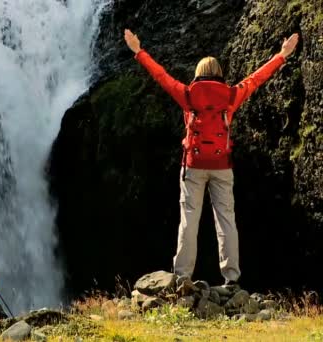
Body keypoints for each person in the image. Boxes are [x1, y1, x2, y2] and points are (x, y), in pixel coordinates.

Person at [123, 29, 299, 286]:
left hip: (193, 166)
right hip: (222, 166)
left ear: (197, 73)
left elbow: (161, 76)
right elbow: (256, 79)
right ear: (219, 74)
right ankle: (231, 278)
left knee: (189, 219)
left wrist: (139, 51)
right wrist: (282, 55)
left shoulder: (187, 95)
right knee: (226, 219)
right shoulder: (230, 96)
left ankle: (183, 276)